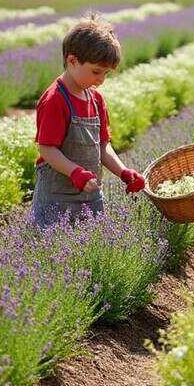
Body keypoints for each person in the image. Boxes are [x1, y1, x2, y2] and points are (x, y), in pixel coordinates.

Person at [32, 14, 145, 228]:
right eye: (96, 72)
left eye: (106, 74)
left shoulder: (95, 99)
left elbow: (103, 146)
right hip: (57, 198)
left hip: (91, 195)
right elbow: (47, 149)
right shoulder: (55, 100)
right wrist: (75, 172)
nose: (101, 80)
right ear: (72, 61)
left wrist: (123, 172)